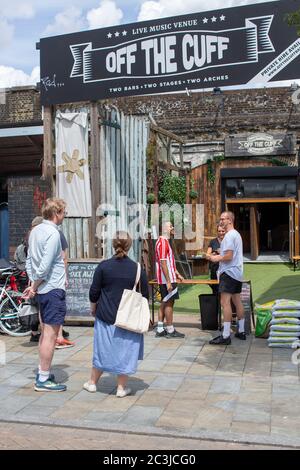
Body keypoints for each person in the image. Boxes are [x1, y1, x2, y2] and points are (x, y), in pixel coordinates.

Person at [83, 231, 149, 397]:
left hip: (105, 315)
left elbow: (94, 292)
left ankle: (92, 383)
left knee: (101, 350)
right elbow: (146, 294)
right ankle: (121, 388)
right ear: (130, 245)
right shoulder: (137, 268)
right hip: (128, 318)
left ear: (113, 245)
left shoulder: (104, 266)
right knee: (125, 351)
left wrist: (93, 308)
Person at [24, 198, 68, 392]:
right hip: (52, 289)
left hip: (43, 289)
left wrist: (32, 283)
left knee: (45, 334)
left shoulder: (35, 232)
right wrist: (34, 285)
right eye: (63, 212)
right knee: (51, 335)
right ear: (56, 213)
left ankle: (44, 371)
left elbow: (29, 261)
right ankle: (43, 378)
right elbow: (46, 264)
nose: (65, 215)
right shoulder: (53, 233)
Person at [207, 211, 245, 345]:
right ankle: (241, 331)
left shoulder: (229, 236)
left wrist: (216, 258)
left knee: (225, 303)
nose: (221, 221)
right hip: (237, 273)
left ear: (230, 220)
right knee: (237, 301)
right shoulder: (237, 235)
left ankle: (225, 335)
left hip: (228, 273)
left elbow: (228, 256)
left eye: (223, 219)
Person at [155, 221, 185, 338]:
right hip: (166, 279)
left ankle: (160, 328)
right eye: (170, 226)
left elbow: (169, 262)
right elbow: (163, 263)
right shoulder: (163, 242)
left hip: (168, 277)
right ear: (164, 229)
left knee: (164, 301)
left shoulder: (165, 242)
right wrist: (168, 281)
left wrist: (177, 273)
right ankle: (170, 330)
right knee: (169, 303)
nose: (173, 227)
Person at [206, 225, 226, 296]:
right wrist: (214, 253)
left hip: (226, 270)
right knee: (215, 291)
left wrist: (223, 252)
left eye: (223, 231)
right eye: (219, 231)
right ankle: (216, 306)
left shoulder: (229, 241)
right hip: (215, 270)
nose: (221, 233)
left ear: (225, 231)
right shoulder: (213, 241)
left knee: (226, 291)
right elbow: (207, 256)